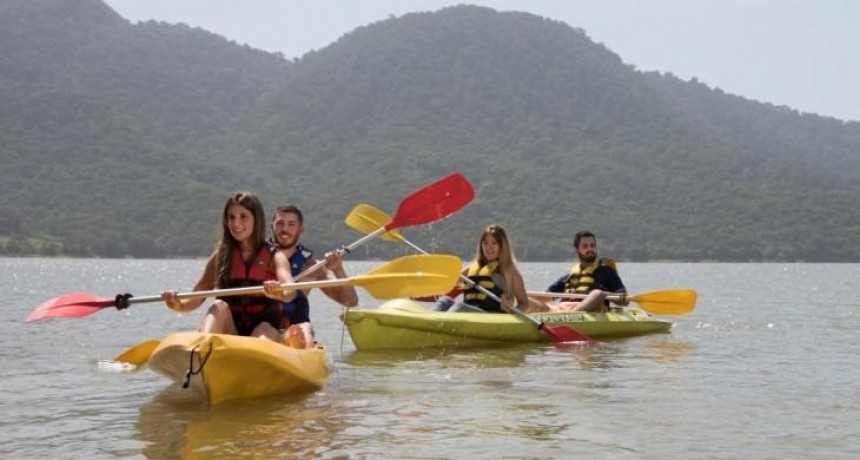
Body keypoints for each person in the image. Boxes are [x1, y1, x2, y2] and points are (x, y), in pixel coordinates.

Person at [161, 191, 296, 340]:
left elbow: (290, 290)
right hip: (230, 333)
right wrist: (176, 304)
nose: (236, 223)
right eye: (231, 217)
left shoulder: (276, 257)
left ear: (256, 220)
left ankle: (265, 352)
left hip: (265, 332)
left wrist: (281, 292)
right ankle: (203, 348)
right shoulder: (221, 257)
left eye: (243, 217)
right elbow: (194, 298)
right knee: (219, 306)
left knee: (262, 330)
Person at [269, 204, 359, 348]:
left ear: (301, 229)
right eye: (280, 224)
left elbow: (350, 302)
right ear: (271, 227)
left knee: (305, 330)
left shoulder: (311, 267)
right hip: (262, 330)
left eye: (291, 224)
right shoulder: (257, 258)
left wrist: (338, 270)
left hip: (294, 331)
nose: (285, 229)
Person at [436, 224, 547, 313]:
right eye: (485, 243)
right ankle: (427, 324)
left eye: (494, 243)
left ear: (502, 246)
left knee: (460, 307)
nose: (489, 247)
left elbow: (524, 303)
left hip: (490, 316)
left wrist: (512, 311)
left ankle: (439, 325)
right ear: (481, 245)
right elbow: (448, 284)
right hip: (467, 313)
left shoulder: (511, 272)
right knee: (445, 301)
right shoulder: (470, 269)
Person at [539, 230, 627, 312]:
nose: (590, 249)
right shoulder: (569, 276)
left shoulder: (606, 272)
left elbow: (625, 301)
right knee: (530, 301)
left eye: (592, 245)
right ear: (576, 251)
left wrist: (603, 295)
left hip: (589, 312)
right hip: (563, 310)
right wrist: (526, 297)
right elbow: (545, 296)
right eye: (585, 246)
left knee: (598, 293)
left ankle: (572, 315)